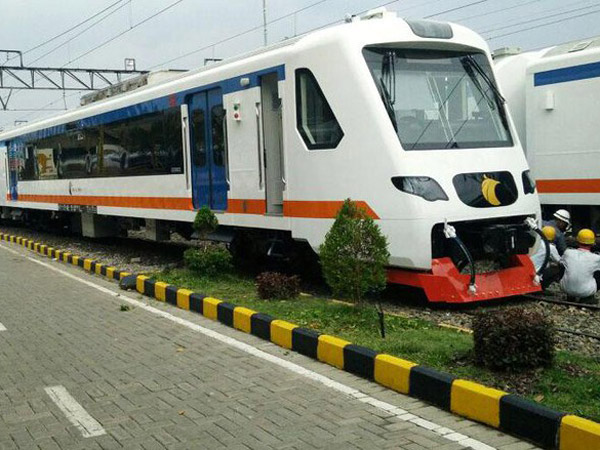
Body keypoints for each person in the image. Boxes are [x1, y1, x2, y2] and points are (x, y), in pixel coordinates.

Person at [560, 229, 600, 304]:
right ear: (593, 243)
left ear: (577, 241)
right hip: (586, 291)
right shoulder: (596, 258)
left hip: (566, 288)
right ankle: (588, 298)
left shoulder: (568, 252)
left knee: (563, 265)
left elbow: (560, 263)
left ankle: (570, 295)